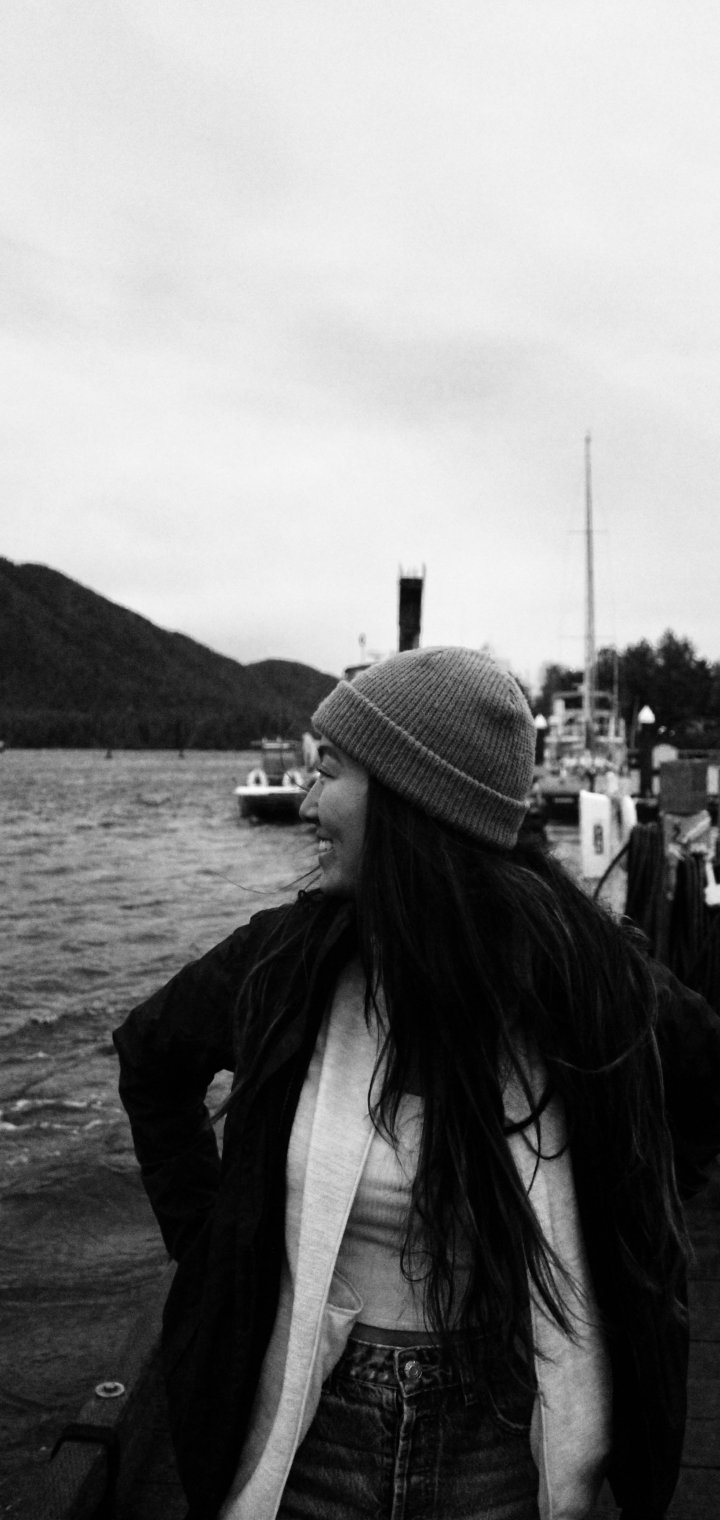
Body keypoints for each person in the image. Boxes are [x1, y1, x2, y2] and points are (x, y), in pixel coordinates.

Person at [114, 646, 720, 1520]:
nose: (307, 803)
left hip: (504, 1439)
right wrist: (214, 1248)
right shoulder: (287, 963)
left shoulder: (586, 975)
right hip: (312, 1429)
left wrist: (627, 1211)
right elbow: (151, 1058)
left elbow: (705, 1090)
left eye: (330, 771)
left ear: (412, 799)